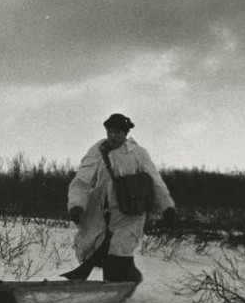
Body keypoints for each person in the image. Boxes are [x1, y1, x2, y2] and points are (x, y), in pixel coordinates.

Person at [67, 113, 175, 284]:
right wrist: (76, 205)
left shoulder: (138, 154)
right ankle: (127, 278)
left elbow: (155, 182)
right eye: (109, 132)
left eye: (117, 132)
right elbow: (81, 181)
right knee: (94, 249)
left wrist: (166, 207)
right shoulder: (97, 152)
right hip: (101, 212)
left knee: (118, 248)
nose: (112, 136)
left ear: (125, 134)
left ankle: (113, 290)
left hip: (130, 212)